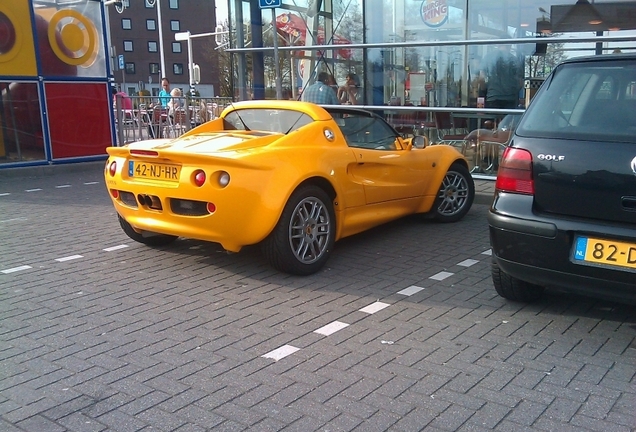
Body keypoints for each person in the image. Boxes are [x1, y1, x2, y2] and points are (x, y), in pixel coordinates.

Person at [479, 45, 523, 109]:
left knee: (490, 118)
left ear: (498, 45)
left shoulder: (488, 57)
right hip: (510, 99)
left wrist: (485, 90)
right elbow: (520, 82)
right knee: (508, 119)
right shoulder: (514, 60)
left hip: (492, 97)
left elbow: (481, 78)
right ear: (509, 45)